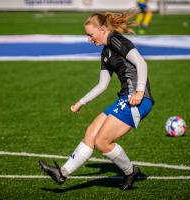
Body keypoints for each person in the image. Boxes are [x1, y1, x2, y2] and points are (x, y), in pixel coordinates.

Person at [39, 8, 154, 191]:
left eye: (90, 34)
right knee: (91, 132)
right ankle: (62, 173)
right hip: (125, 98)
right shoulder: (106, 52)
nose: (89, 39)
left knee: (102, 142)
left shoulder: (117, 40)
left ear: (102, 29)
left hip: (137, 100)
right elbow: (102, 85)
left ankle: (130, 171)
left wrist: (139, 92)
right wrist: (81, 102)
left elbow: (142, 62)